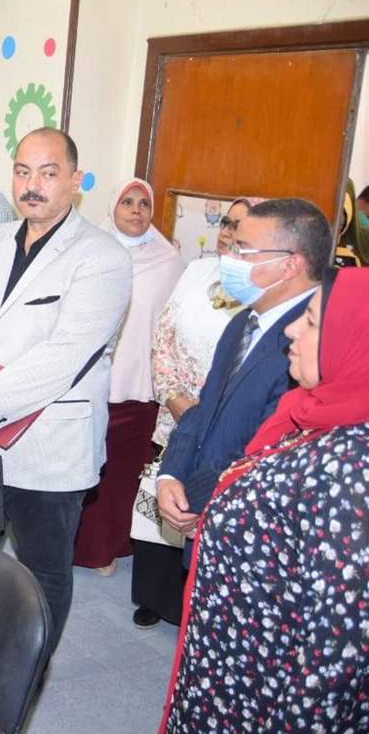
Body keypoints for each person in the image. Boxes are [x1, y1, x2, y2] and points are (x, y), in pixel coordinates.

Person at [0, 127, 132, 648]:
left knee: (42, 570)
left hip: (47, 439)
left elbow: (65, 354)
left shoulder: (102, 256)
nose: (31, 184)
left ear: (75, 181)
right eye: (22, 172)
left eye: (48, 172)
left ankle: (22, 670)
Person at [159, 266, 369, 734]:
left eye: (311, 321)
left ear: (355, 342)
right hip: (235, 664)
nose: (292, 330)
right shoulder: (317, 415)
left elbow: (334, 657)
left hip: (267, 694)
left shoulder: (356, 469)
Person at [156, 199, 332, 556]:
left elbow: (264, 448)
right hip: (206, 516)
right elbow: (204, 408)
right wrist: (170, 474)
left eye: (244, 250)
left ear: (290, 265)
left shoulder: (310, 341)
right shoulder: (243, 321)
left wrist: (194, 498)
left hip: (248, 530)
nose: (231, 258)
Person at [130, 197, 258, 628]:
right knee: (160, 500)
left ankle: (191, 606)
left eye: (239, 226)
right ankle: (153, 597)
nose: (228, 232)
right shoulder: (196, 270)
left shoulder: (261, 288)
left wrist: (207, 415)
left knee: (200, 509)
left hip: (224, 423)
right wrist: (174, 398)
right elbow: (162, 338)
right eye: (226, 223)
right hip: (175, 412)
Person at [73, 179, 183, 574]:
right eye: (127, 202)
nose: (136, 210)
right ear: (113, 207)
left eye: (143, 204)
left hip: (141, 389)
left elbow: (172, 326)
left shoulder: (169, 261)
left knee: (124, 474)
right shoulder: (91, 250)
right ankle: (80, 546)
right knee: (88, 469)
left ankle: (112, 546)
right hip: (93, 382)